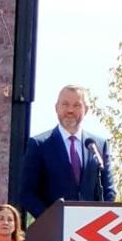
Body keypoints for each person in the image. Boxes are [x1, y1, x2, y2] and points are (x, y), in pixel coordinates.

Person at [19, 83, 116, 218]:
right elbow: (27, 193)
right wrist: (51, 220)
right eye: (65, 104)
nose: (70, 110)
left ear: (86, 110)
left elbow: (109, 190)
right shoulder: (39, 145)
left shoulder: (98, 145)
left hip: (92, 231)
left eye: (76, 105)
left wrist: (99, 220)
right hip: (55, 232)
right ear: (56, 108)